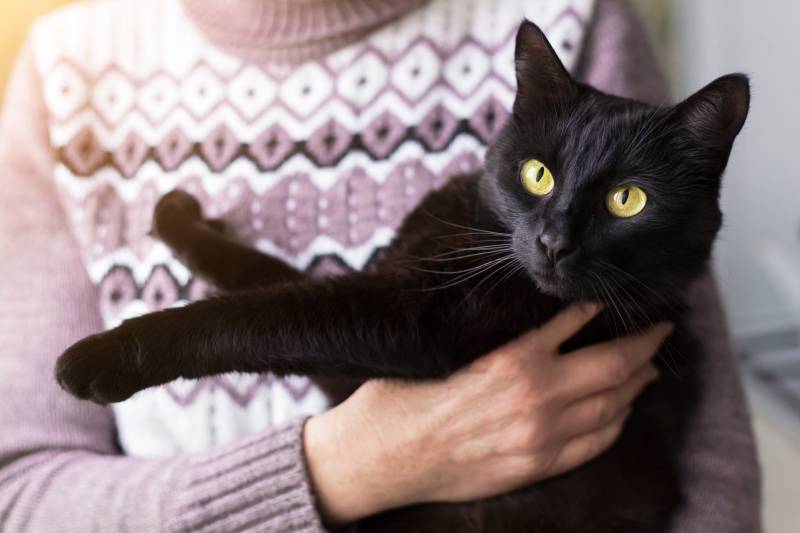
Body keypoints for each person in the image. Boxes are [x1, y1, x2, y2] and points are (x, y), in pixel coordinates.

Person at [0, 0, 759, 531]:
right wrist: (356, 462)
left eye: (622, 202)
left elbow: (715, 473)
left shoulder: (577, 15)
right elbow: (21, 499)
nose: (557, 239)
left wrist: (157, 338)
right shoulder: (66, 70)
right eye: (537, 182)